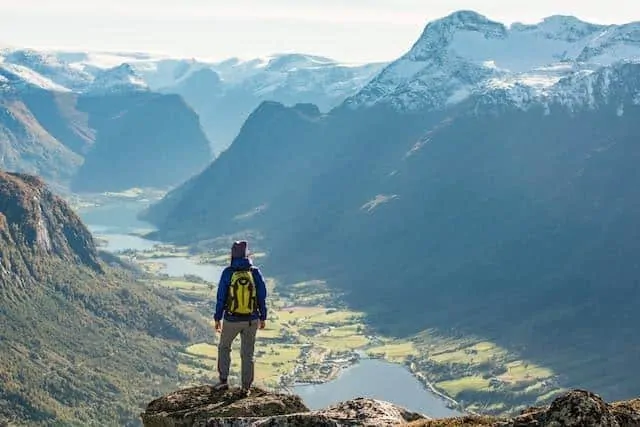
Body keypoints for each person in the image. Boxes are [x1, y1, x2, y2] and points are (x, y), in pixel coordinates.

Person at [213, 240, 267, 396]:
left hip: (231, 319)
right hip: (251, 319)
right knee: (247, 353)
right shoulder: (254, 272)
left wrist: (217, 318)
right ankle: (246, 387)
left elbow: (221, 298)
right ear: (247, 254)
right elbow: (262, 297)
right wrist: (263, 316)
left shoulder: (228, 272)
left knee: (224, 347)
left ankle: (223, 381)